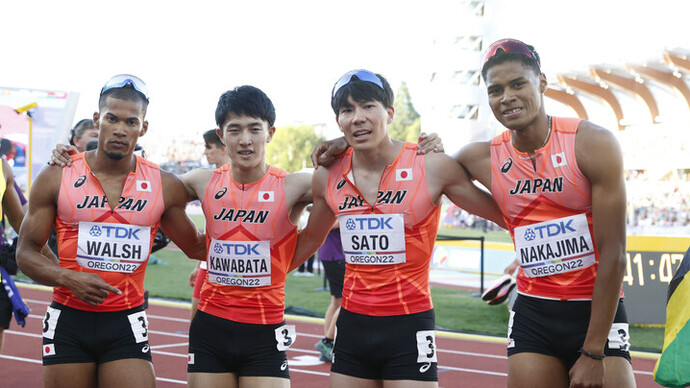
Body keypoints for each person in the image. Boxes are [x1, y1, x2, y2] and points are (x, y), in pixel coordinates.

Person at [49, 84, 445, 388]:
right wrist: (71, 161)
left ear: (270, 132)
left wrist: (348, 140)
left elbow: (355, 166)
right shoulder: (200, 182)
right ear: (222, 136)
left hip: (265, 330)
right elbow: (137, 184)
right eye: (234, 130)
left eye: (254, 129)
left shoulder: (295, 186)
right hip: (210, 328)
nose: (244, 140)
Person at [300, 69, 506, 388]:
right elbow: (309, 239)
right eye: (347, 110)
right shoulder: (326, 176)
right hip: (352, 325)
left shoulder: (430, 166)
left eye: (368, 106)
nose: (357, 118)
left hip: (409, 324)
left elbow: (508, 216)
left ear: (390, 112)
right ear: (338, 120)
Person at [454, 39, 634, 388]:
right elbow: (418, 169)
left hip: (595, 311)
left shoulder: (592, 143)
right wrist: (346, 147)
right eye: (495, 90)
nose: (506, 97)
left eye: (518, 83)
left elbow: (615, 254)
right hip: (534, 311)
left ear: (542, 83)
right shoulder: (478, 158)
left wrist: (594, 351)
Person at [17, 74, 206, 388]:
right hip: (68, 318)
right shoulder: (57, 174)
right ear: (97, 120)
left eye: (131, 122)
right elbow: (25, 252)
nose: (120, 129)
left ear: (143, 128)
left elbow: (197, 248)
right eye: (112, 119)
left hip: (125, 320)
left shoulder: (164, 185)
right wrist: (67, 277)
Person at [188, 128, 230, 319]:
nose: (205, 152)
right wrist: (199, 264)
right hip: (207, 263)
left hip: (231, 267)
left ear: (223, 148)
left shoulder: (239, 181)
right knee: (196, 321)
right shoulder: (207, 180)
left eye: (208, 146)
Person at [313, 220, 345, 362]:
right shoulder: (333, 206)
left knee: (336, 300)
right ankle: (328, 340)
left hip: (331, 254)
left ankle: (328, 341)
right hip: (335, 255)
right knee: (347, 299)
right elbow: (328, 224)